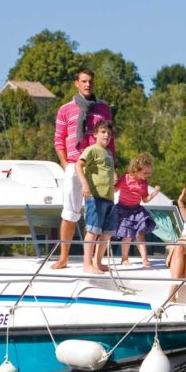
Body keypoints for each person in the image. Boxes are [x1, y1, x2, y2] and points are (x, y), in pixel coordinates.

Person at [52, 68, 115, 269]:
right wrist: (65, 164)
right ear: (76, 83)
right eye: (84, 81)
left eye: (91, 82)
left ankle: (96, 261)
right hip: (75, 163)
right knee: (70, 212)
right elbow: (58, 140)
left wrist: (113, 167)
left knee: (99, 213)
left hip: (98, 168)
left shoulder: (103, 109)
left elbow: (110, 140)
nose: (88, 85)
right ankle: (64, 257)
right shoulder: (65, 109)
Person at [76, 121, 117, 274]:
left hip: (109, 198)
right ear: (95, 135)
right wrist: (85, 185)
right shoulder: (91, 149)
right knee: (92, 230)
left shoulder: (109, 153)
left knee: (107, 232)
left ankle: (97, 262)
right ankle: (87, 264)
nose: (107, 135)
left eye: (109, 133)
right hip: (95, 196)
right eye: (103, 131)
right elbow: (78, 165)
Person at [115, 153, 161, 267]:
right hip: (123, 209)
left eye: (149, 173)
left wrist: (155, 193)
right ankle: (124, 258)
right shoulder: (125, 178)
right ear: (136, 169)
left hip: (136, 210)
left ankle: (144, 259)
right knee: (127, 234)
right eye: (145, 173)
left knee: (140, 234)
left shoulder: (144, 182)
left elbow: (145, 199)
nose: (147, 175)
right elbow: (114, 189)